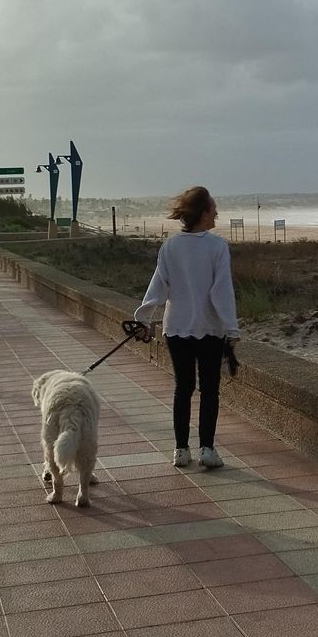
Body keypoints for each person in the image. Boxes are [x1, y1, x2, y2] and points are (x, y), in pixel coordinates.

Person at [133, 187, 239, 469]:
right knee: (209, 390)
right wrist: (231, 327)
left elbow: (158, 287)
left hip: (176, 328)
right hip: (209, 328)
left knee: (183, 388)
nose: (216, 212)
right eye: (213, 208)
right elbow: (222, 292)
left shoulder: (170, 246)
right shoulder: (217, 247)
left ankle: (181, 450)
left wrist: (143, 318)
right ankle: (207, 448)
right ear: (203, 213)